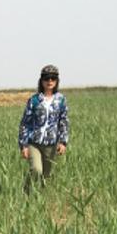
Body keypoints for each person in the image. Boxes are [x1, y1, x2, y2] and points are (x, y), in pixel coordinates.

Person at [18, 64, 70, 193]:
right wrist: (23, 145)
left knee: (46, 177)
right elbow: (25, 123)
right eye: (46, 78)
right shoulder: (34, 100)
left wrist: (63, 142)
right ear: (41, 81)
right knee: (36, 170)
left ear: (57, 81)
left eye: (53, 78)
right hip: (34, 143)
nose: (50, 81)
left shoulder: (61, 100)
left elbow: (63, 121)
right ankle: (26, 193)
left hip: (51, 144)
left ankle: (42, 199)